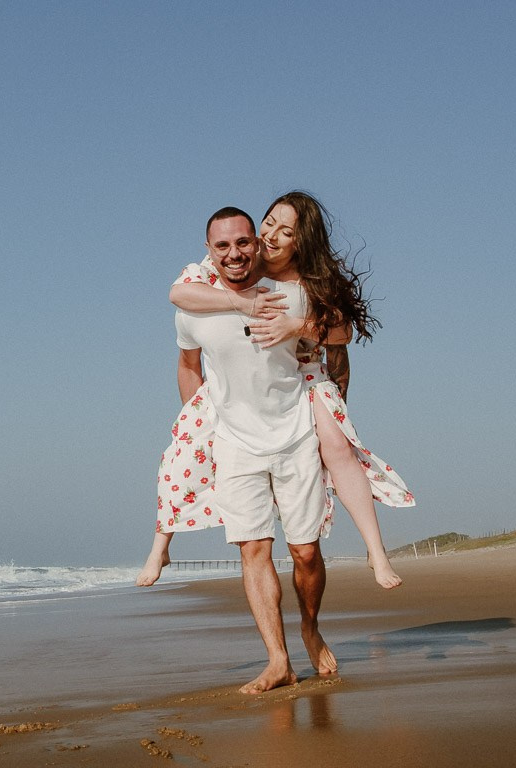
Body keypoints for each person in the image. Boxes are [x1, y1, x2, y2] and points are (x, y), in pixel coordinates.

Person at [137, 191, 414, 590]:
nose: (272, 235)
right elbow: (179, 294)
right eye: (269, 222)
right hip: (237, 392)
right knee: (186, 449)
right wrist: (241, 303)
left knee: (336, 446)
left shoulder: (308, 281)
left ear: (302, 242)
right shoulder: (235, 263)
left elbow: (342, 334)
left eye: (286, 231)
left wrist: (296, 326)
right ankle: (161, 544)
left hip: (304, 375)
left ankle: (376, 551)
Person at [168, 205, 336, 693]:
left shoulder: (291, 291)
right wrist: (200, 420)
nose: (234, 253)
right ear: (209, 251)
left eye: (243, 242)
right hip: (234, 444)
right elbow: (186, 363)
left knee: (305, 552)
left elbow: (339, 330)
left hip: (295, 434)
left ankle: (309, 626)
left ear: (256, 244)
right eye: (222, 246)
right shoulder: (194, 306)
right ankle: (278, 660)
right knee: (254, 549)